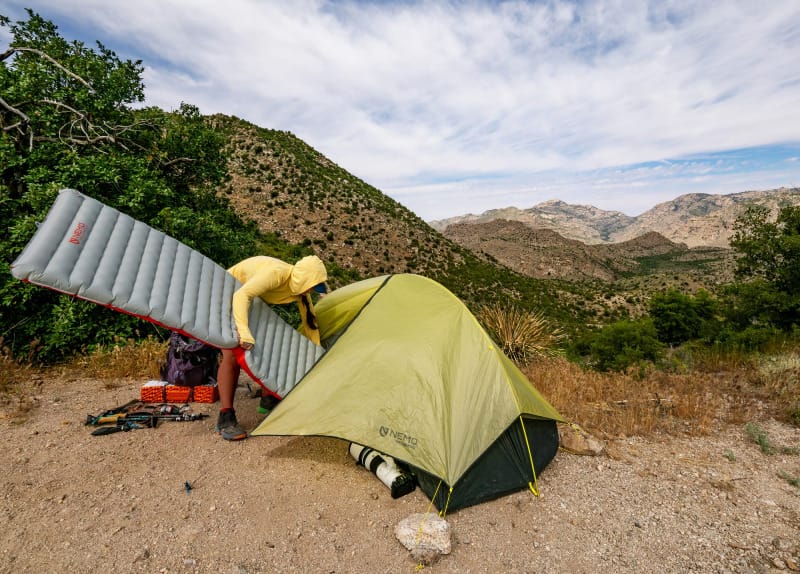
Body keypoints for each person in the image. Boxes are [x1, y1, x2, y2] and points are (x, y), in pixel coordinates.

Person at [215, 254, 328, 441]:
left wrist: (317, 355)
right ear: (302, 278)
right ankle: (225, 416)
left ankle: (268, 399)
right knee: (232, 355)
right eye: (311, 285)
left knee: (273, 345)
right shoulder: (276, 274)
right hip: (228, 293)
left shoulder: (301, 293)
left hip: (250, 302)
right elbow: (241, 295)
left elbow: (310, 324)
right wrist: (244, 332)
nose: (311, 290)